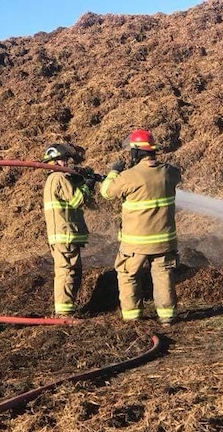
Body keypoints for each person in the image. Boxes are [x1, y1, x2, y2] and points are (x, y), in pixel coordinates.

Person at [100, 129, 181, 326]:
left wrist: (113, 172)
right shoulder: (170, 172)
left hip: (136, 243)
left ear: (136, 152)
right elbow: (175, 175)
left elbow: (107, 192)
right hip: (164, 240)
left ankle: (132, 317)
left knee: (128, 275)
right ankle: (167, 316)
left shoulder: (129, 176)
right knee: (163, 275)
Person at [41, 143, 99, 318]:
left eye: (66, 159)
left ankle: (66, 309)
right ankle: (63, 313)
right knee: (66, 271)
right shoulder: (58, 178)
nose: (65, 163)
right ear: (52, 162)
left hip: (64, 234)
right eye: (61, 159)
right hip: (64, 234)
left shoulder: (56, 179)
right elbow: (76, 200)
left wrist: (79, 181)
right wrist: (88, 185)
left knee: (71, 271)